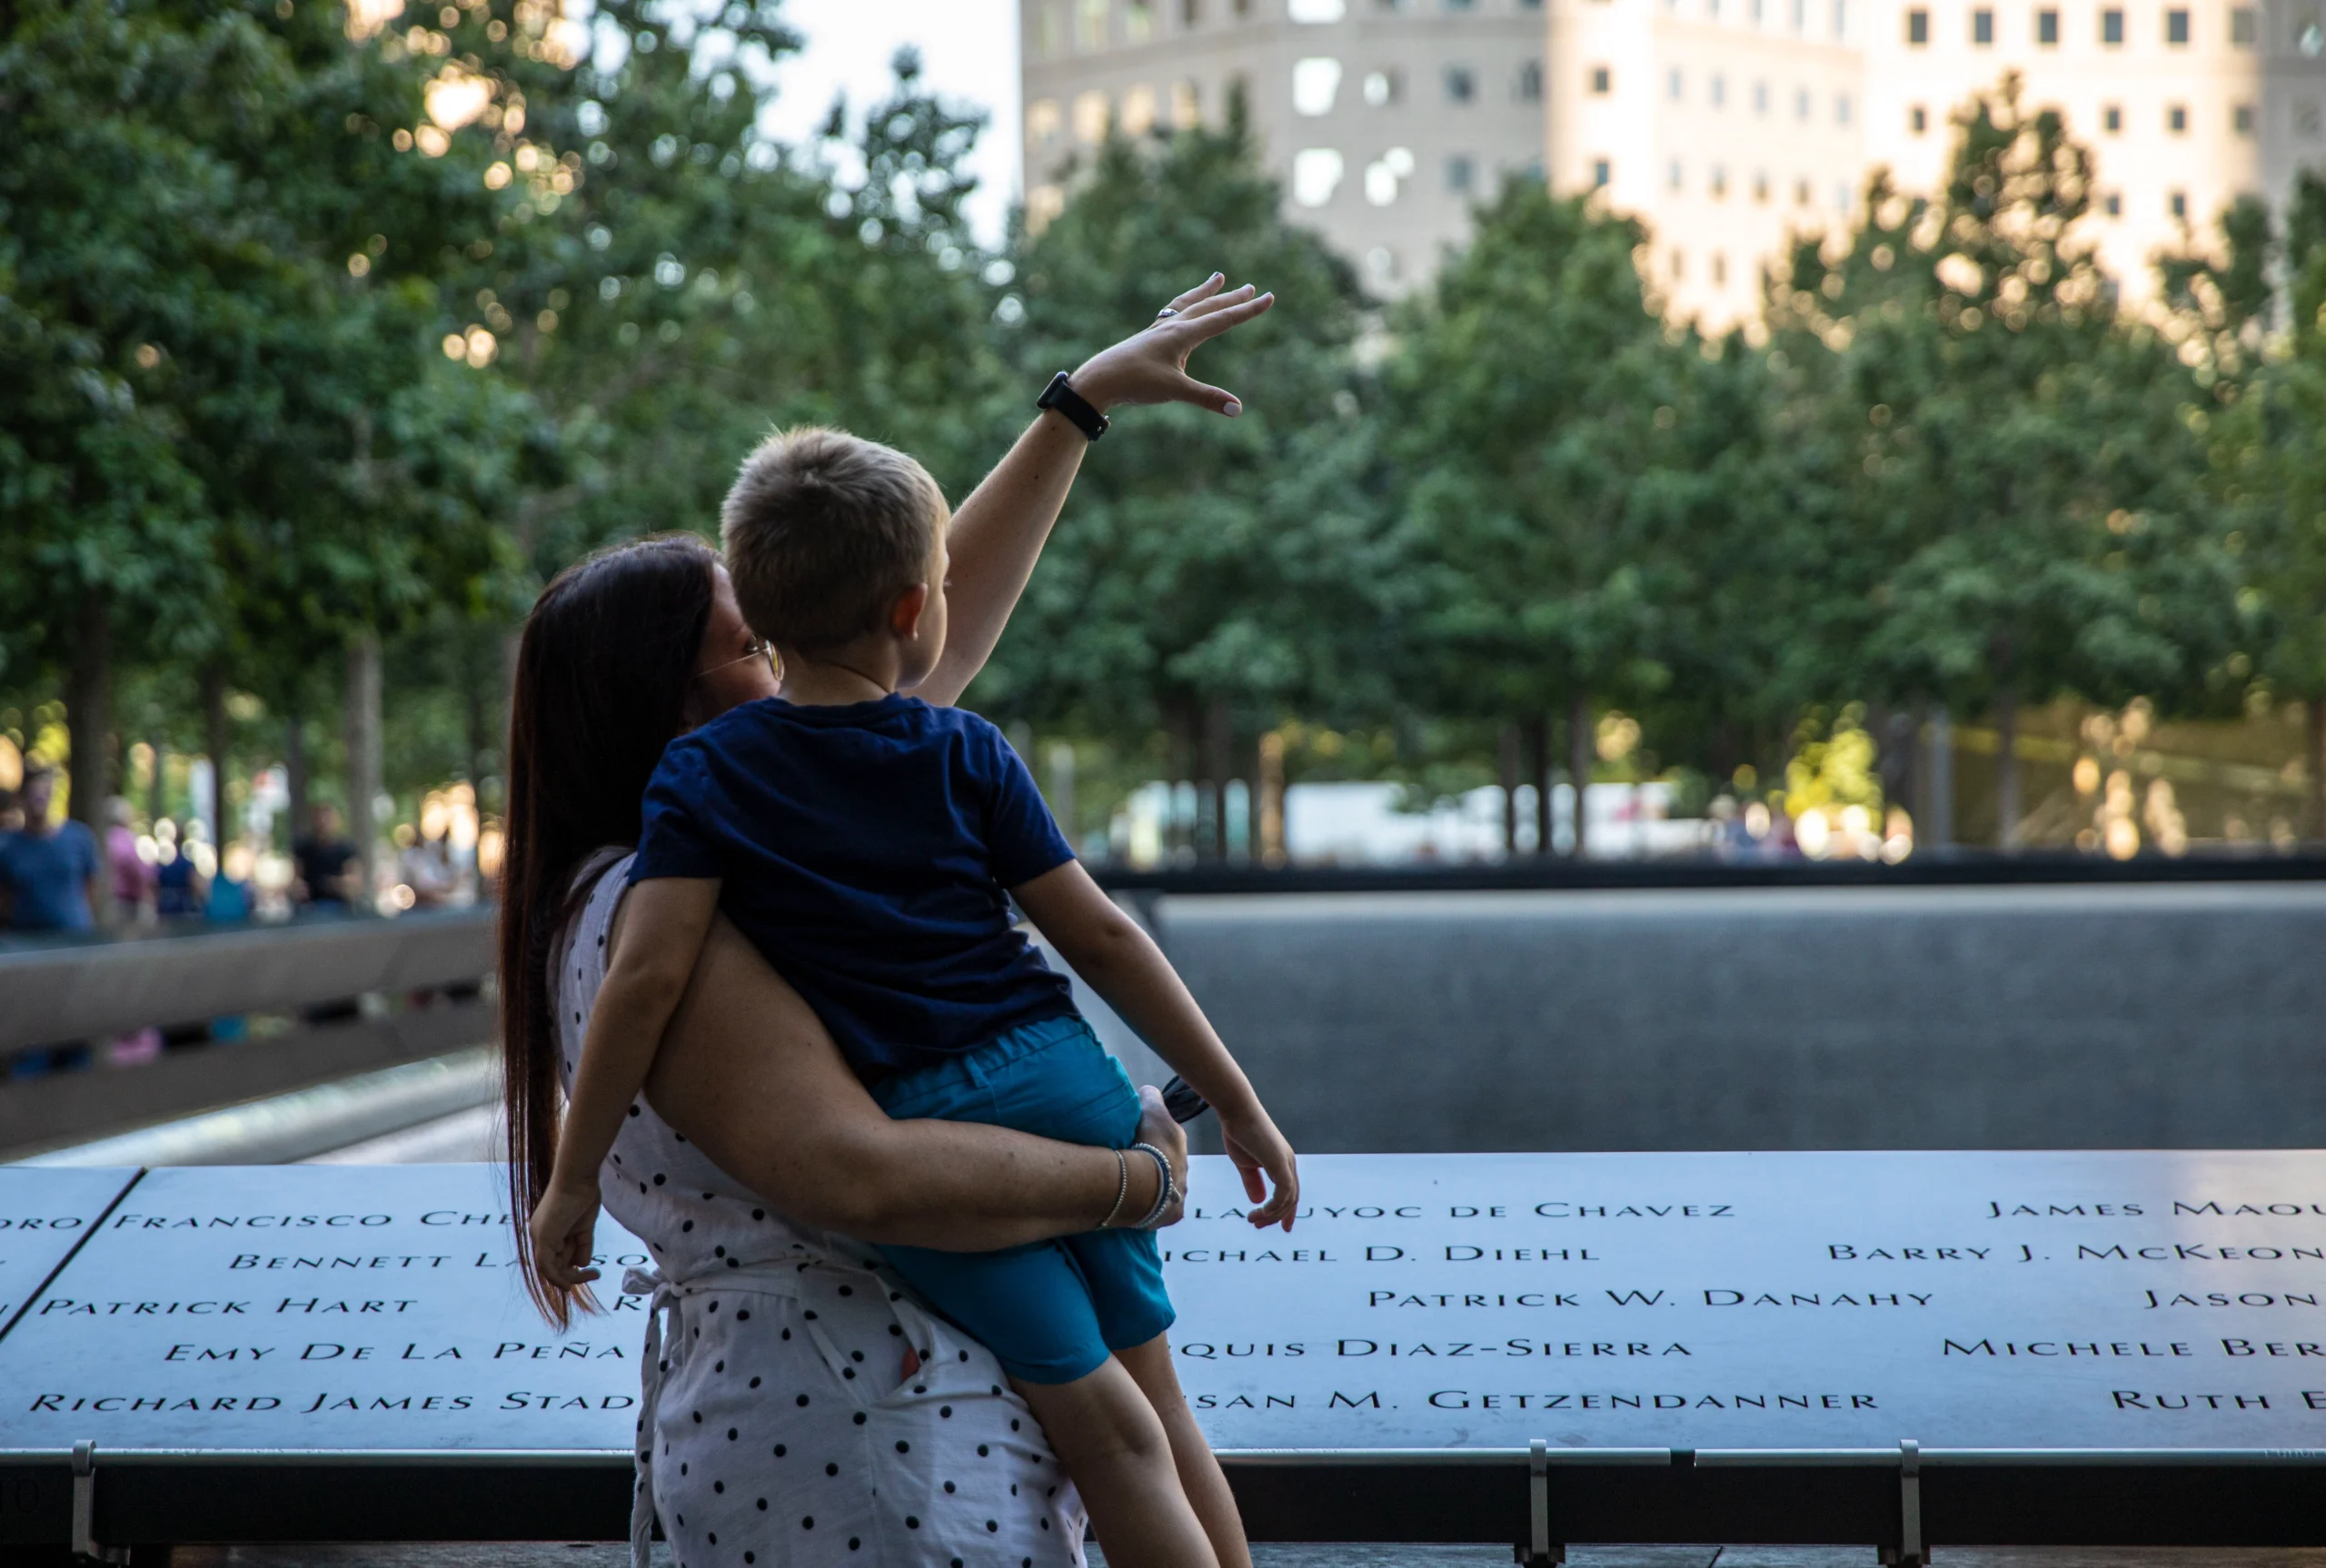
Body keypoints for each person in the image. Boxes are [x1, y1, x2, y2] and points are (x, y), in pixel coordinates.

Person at [500, 274, 1276, 1568]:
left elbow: (904, 636)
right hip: (857, 1449)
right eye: (755, 641)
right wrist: (1136, 1177)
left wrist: (1076, 406)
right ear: (670, 708)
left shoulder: (745, 798)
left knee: (1146, 1424)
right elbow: (855, 1169)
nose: (790, 664)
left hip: (897, 1417)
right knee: (1147, 1421)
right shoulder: (648, 891)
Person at [0, 766, 104, 933]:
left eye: (45, 793)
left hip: (74, 937)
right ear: (21, 797)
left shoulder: (79, 837)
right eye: (33, 793)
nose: (39, 799)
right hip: (25, 940)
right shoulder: (7, 846)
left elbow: (91, 887)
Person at [291, 803, 362, 909]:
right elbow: (296, 877)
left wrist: (337, 884)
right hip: (310, 906)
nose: (323, 823)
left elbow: (354, 880)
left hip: (341, 906)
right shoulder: (304, 848)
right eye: (320, 819)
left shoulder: (347, 849)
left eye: (328, 819)